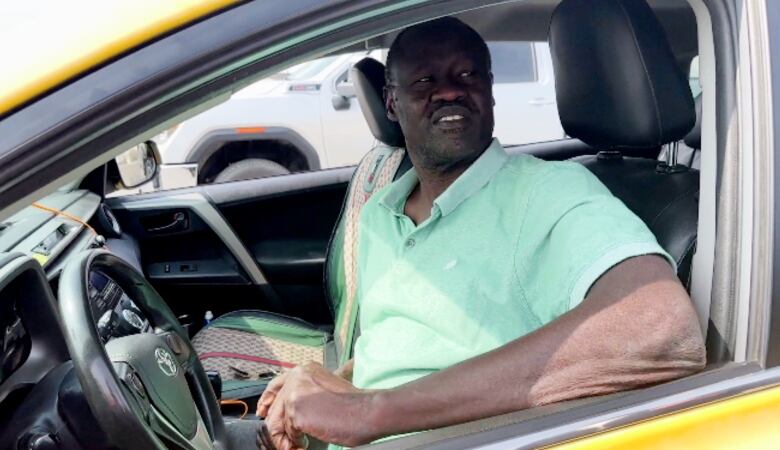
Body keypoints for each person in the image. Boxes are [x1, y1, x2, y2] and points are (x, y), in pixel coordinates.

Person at [255, 17, 706, 449]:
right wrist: (333, 383)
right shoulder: (380, 211)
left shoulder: (546, 192)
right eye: (425, 81)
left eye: (468, 73)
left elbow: (662, 328)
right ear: (391, 102)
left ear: (490, 90)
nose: (450, 90)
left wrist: (368, 412)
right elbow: (400, 344)